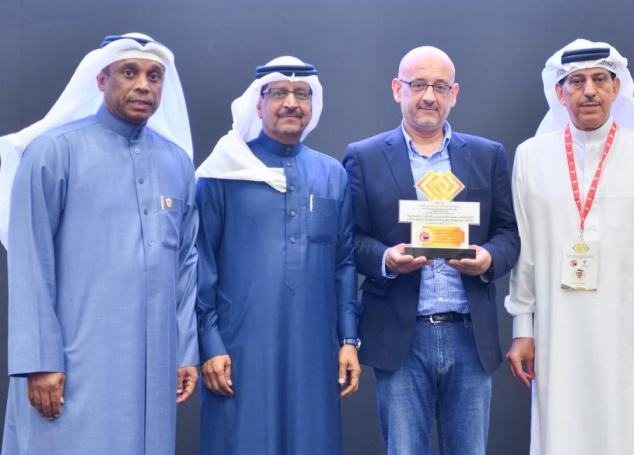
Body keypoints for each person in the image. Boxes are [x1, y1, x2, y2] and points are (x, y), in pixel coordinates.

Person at [0, 33, 199, 454]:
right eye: (129, 72)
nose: (143, 85)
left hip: (152, 367)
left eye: (154, 76)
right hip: (72, 364)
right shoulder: (52, 152)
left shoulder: (177, 163)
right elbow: (30, 261)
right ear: (101, 80)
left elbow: (185, 264)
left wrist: (184, 351)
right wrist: (39, 361)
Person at [505, 39, 634, 455]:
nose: (589, 91)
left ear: (616, 87)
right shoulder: (531, 158)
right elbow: (525, 254)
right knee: (565, 432)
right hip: (559, 334)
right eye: (577, 81)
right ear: (560, 93)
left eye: (599, 79)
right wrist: (522, 329)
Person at [343, 46, 520, 454]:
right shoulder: (364, 157)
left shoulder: (487, 155)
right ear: (397, 89)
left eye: (440, 87)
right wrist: (385, 260)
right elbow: (351, 238)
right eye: (418, 84)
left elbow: (508, 233)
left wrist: (489, 259)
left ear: (454, 94)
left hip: (469, 336)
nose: (429, 96)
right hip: (401, 338)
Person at [195, 56, 362, 455]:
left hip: (314, 349)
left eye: (302, 94)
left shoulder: (331, 174)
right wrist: (210, 343)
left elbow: (343, 263)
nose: (291, 103)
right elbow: (200, 262)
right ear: (258, 103)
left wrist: (348, 340)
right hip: (239, 350)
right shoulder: (224, 173)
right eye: (279, 93)